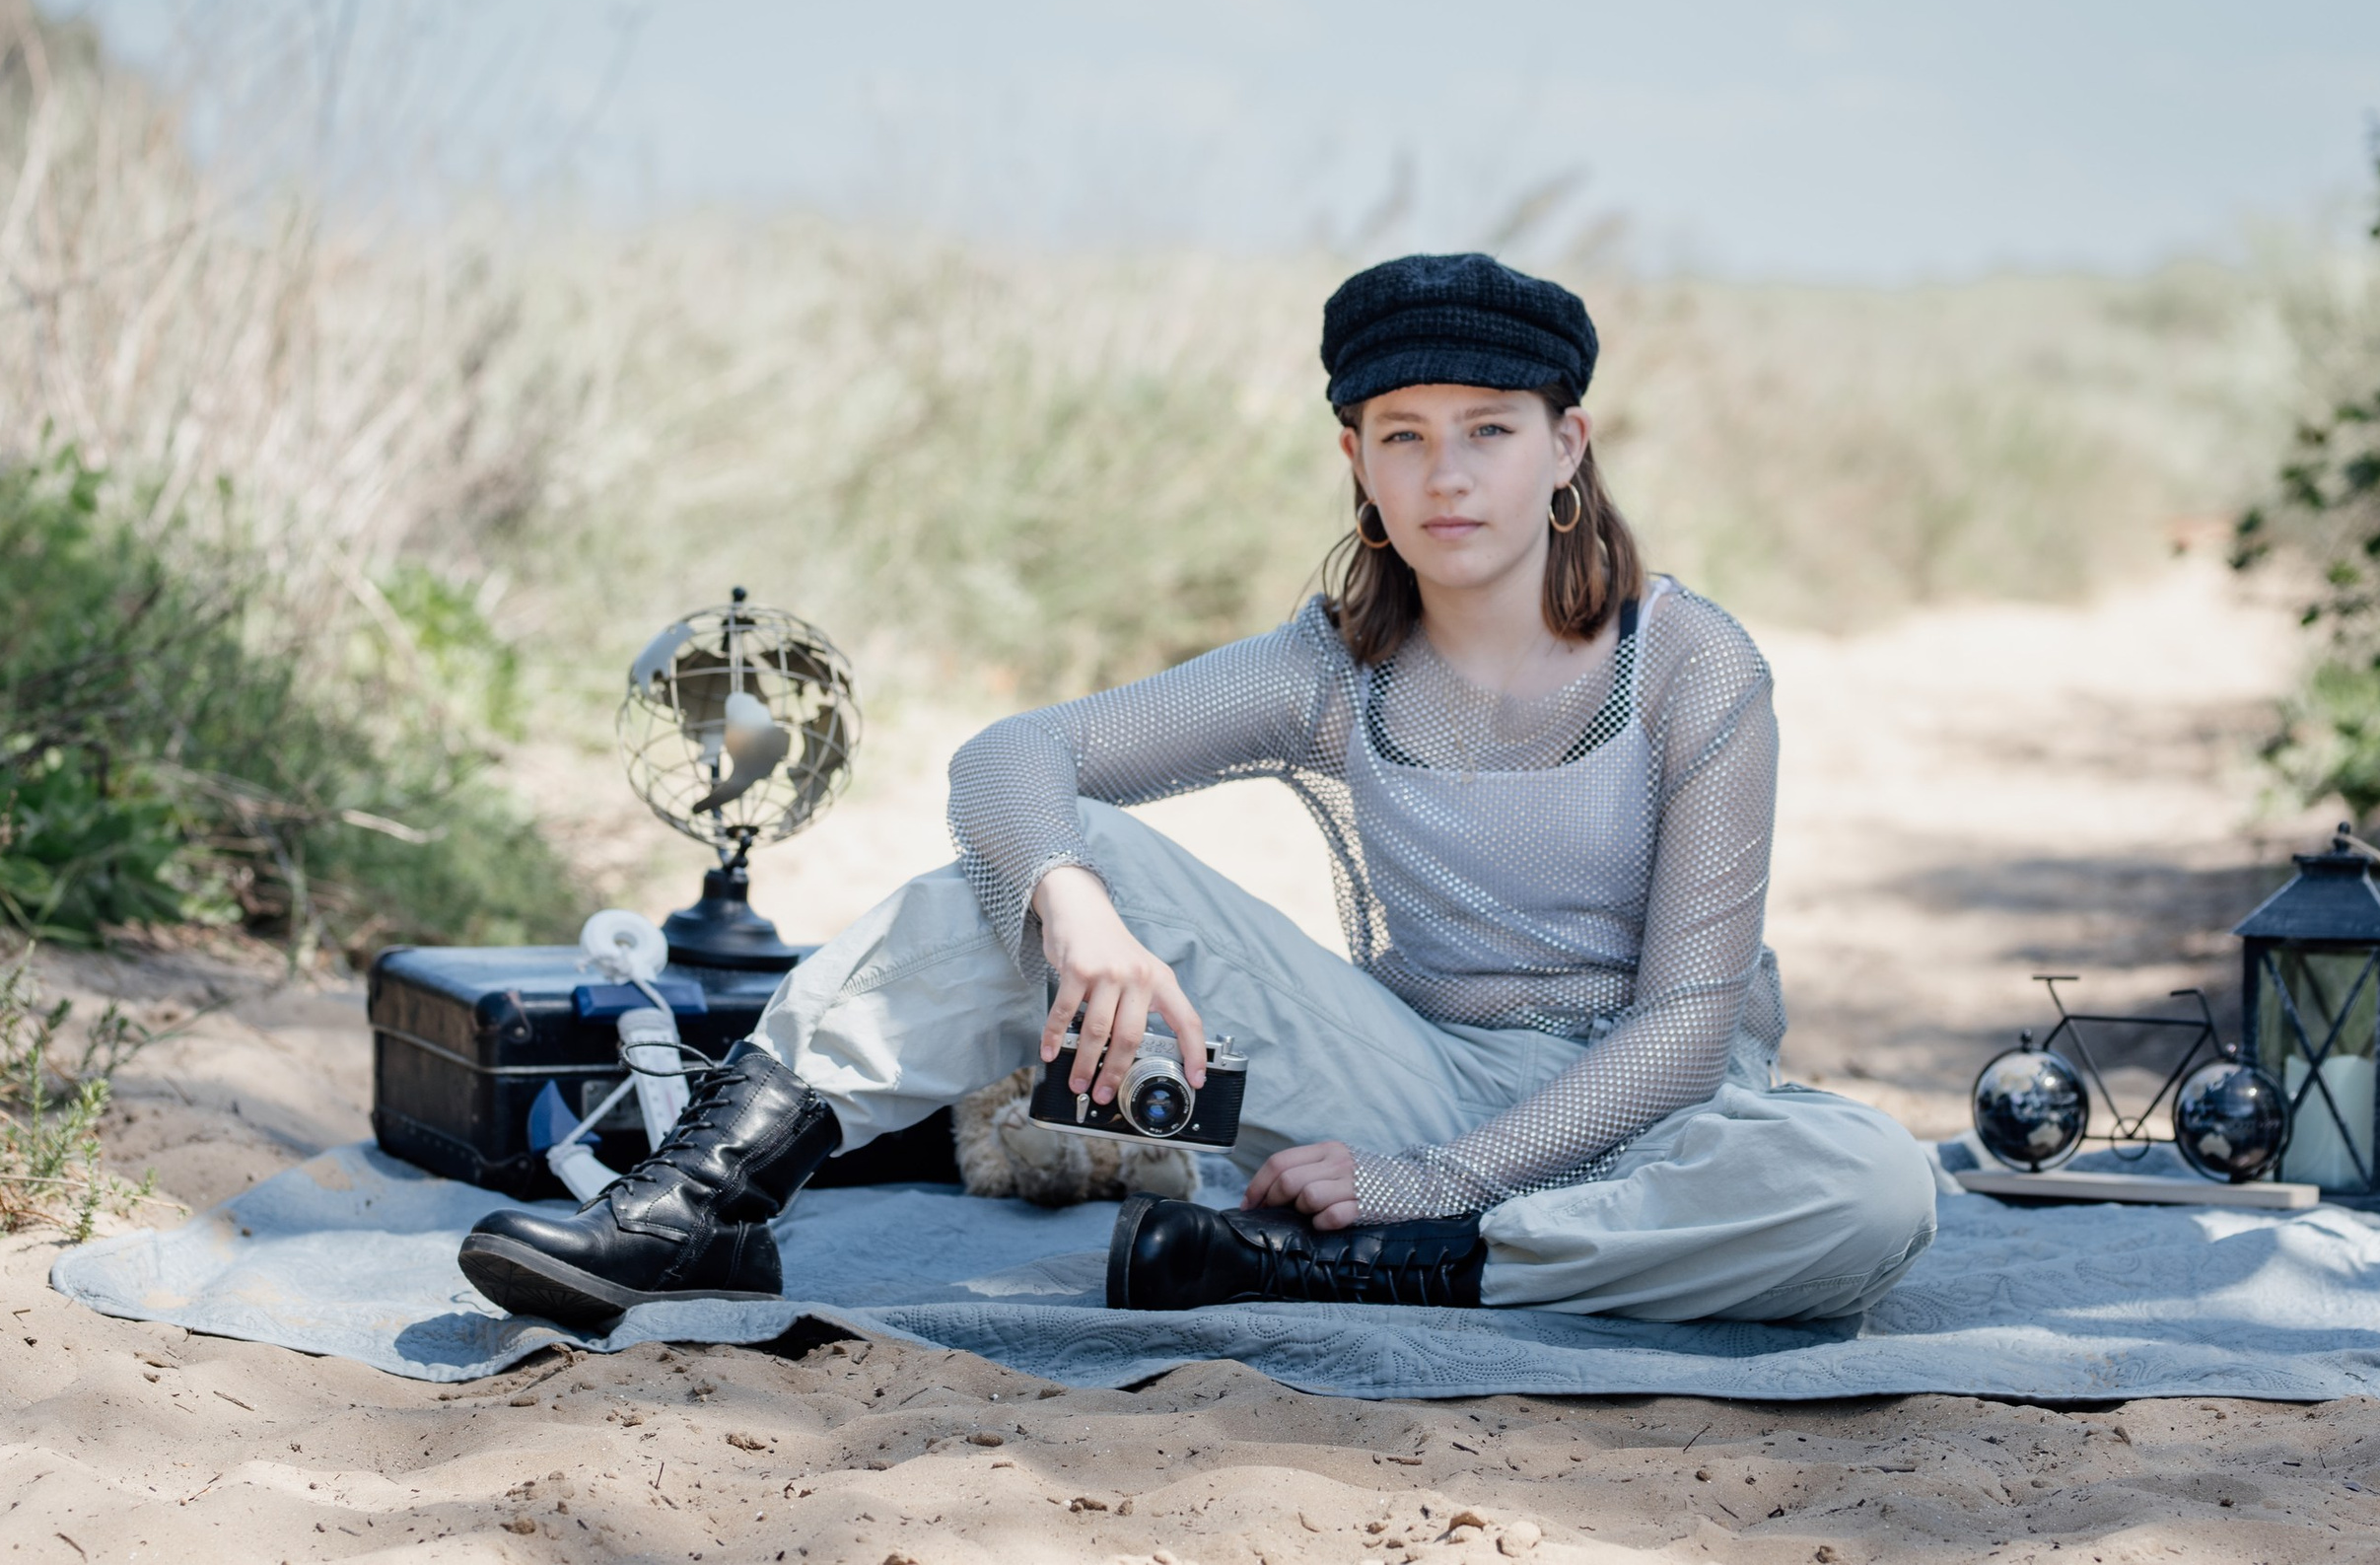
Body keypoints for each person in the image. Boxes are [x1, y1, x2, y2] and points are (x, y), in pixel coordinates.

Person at [459, 252, 1935, 1332]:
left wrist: (1434, 1185)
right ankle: (707, 1204)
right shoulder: (1333, 663)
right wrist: (1075, 911)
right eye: (1405, 436)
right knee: (1042, 864)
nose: (1449, 475)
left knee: (1869, 1191)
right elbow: (1008, 761)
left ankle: (1381, 1263)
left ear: (1567, 446)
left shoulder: (1690, 664)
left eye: (1490, 427)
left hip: (1664, 1121)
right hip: (1410, 1073)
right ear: (1357, 464)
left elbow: (1684, 1031)